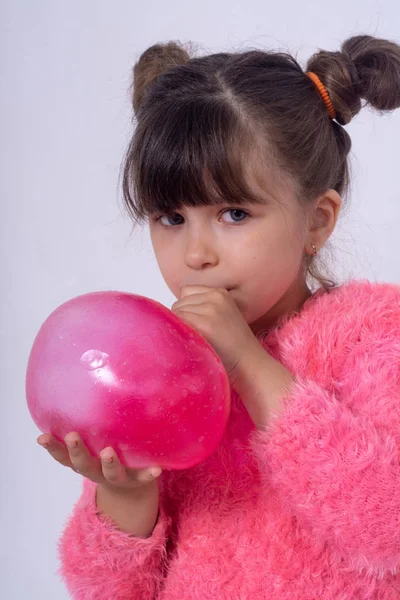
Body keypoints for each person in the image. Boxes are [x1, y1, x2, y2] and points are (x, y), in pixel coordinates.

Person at [38, 35, 400, 599]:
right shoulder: (157, 371)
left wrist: (248, 364)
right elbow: (106, 592)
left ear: (316, 222)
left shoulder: (376, 334)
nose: (196, 254)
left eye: (233, 213)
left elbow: (387, 527)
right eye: (170, 217)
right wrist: (129, 498)